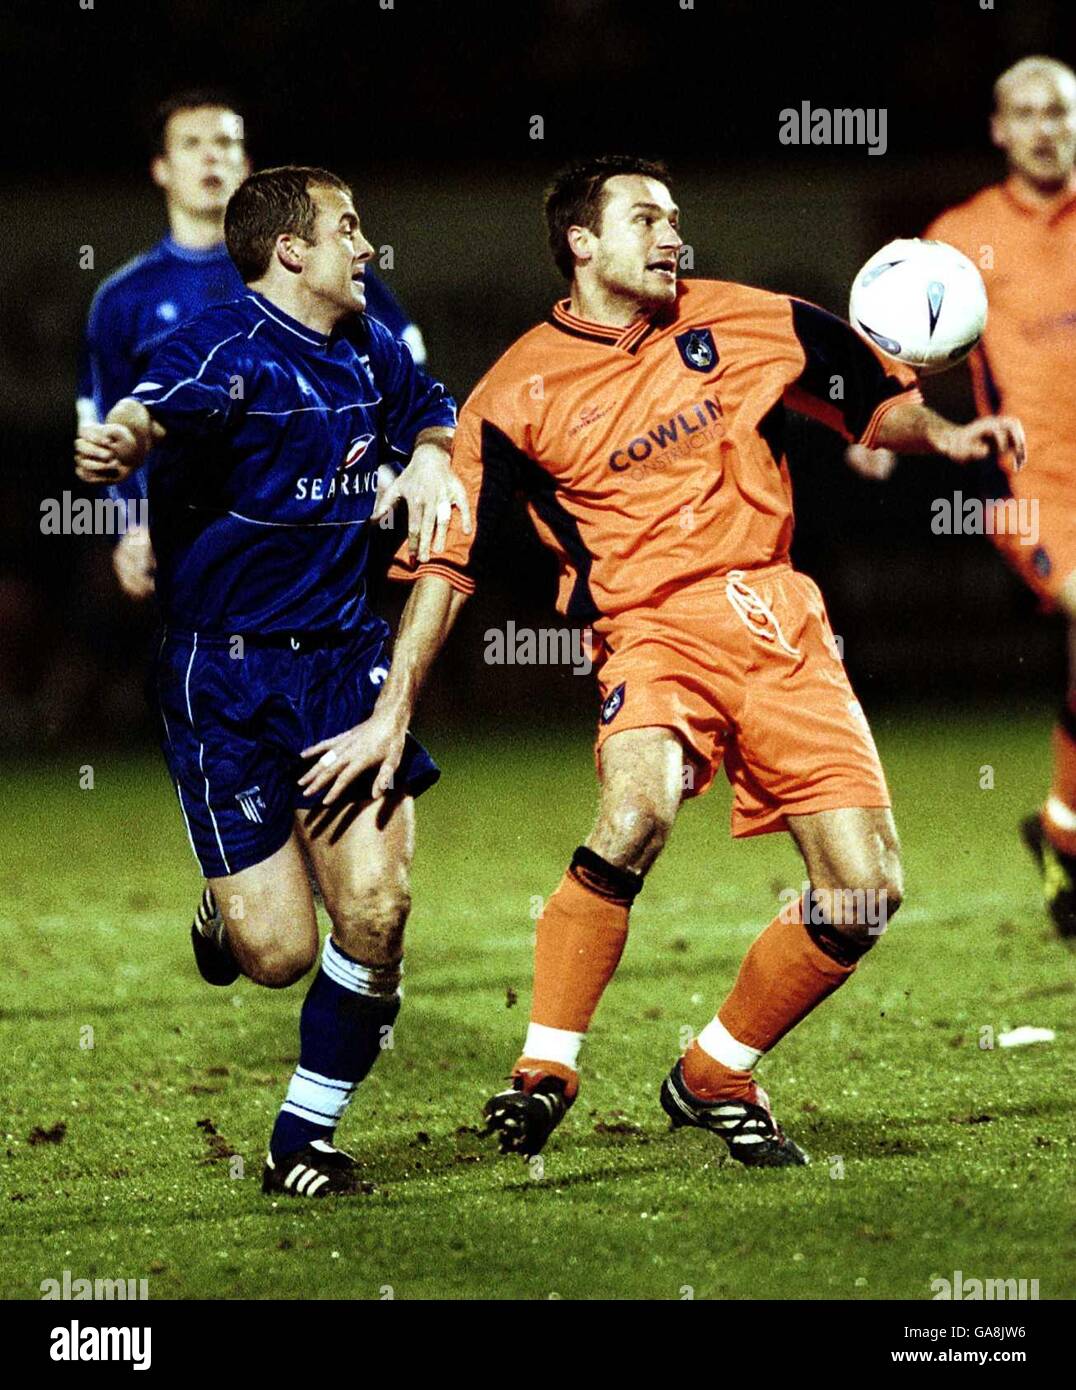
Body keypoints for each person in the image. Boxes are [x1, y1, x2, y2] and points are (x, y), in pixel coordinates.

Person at [391, 155, 1025, 1164]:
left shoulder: (748, 315)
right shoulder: (514, 393)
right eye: (643, 217)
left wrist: (939, 434)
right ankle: (543, 1067)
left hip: (777, 619)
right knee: (634, 811)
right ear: (580, 242)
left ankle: (714, 1070)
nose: (669, 232)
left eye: (674, 215)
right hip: (649, 630)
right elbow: (448, 557)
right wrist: (395, 707)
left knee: (861, 893)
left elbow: (866, 397)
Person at [75, 166, 470, 1197]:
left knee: (376, 908)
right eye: (349, 226)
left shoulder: (368, 343)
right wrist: (121, 438)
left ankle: (301, 1137)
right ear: (290, 249)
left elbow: (430, 407)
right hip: (225, 678)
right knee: (278, 952)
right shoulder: (224, 346)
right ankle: (227, 906)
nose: (367, 245)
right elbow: (152, 407)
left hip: (342, 662)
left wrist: (429, 453)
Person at [77, 89, 426, 600]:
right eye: (192, 143)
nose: (211, 155)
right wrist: (131, 527)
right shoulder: (122, 298)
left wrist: (390, 460)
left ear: (247, 165)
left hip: (322, 525)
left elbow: (403, 356)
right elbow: (107, 416)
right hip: (196, 542)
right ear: (161, 168)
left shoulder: (315, 262)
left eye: (225, 142)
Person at [924, 56, 1076, 938]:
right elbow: (908, 337)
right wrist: (885, 421)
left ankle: (1061, 829)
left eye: (1058, 111)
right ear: (998, 129)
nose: (1044, 128)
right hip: (1035, 485)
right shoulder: (964, 234)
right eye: (1025, 112)